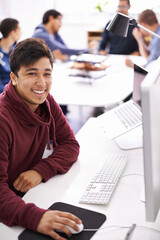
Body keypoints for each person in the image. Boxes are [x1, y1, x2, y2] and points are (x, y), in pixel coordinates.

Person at [0, 38, 81, 240]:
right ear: (14, 77)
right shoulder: (2, 120)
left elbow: (70, 144)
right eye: (32, 73)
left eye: (47, 74)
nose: (42, 83)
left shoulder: (46, 101)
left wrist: (40, 170)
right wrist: (36, 218)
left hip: (27, 194)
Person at [0, 18, 21, 93]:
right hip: (5, 94)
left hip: (16, 89)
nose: (21, 33)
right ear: (12, 32)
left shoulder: (16, 50)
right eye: (19, 30)